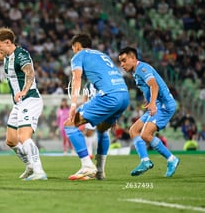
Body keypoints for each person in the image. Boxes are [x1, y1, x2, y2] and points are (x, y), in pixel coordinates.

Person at [0, 27, 47, 181]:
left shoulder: (21, 55)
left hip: (30, 99)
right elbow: (0, 57)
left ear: (8, 43)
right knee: (11, 140)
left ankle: (39, 171)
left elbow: (30, 72)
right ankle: (30, 165)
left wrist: (25, 90)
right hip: (19, 103)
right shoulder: (8, 55)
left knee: (24, 136)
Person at [64, 33, 129, 180]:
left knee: (69, 124)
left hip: (108, 96)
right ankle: (99, 171)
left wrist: (73, 104)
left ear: (77, 46)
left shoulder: (79, 55)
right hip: (123, 95)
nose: (73, 51)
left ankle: (87, 165)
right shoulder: (102, 55)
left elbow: (76, 79)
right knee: (102, 130)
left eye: (73, 48)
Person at [118, 46, 180, 178]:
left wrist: (152, 103)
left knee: (146, 134)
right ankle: (145, 161)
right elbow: (149, 87)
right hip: (156, 103)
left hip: (164, 105)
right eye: (120, 62)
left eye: (124, 60)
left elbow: (154, 85)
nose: (122, 64)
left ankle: (171, 159)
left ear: (133, 58)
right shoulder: (136, 71)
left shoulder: (142, 68)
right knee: (133, 130)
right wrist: (150, 100)